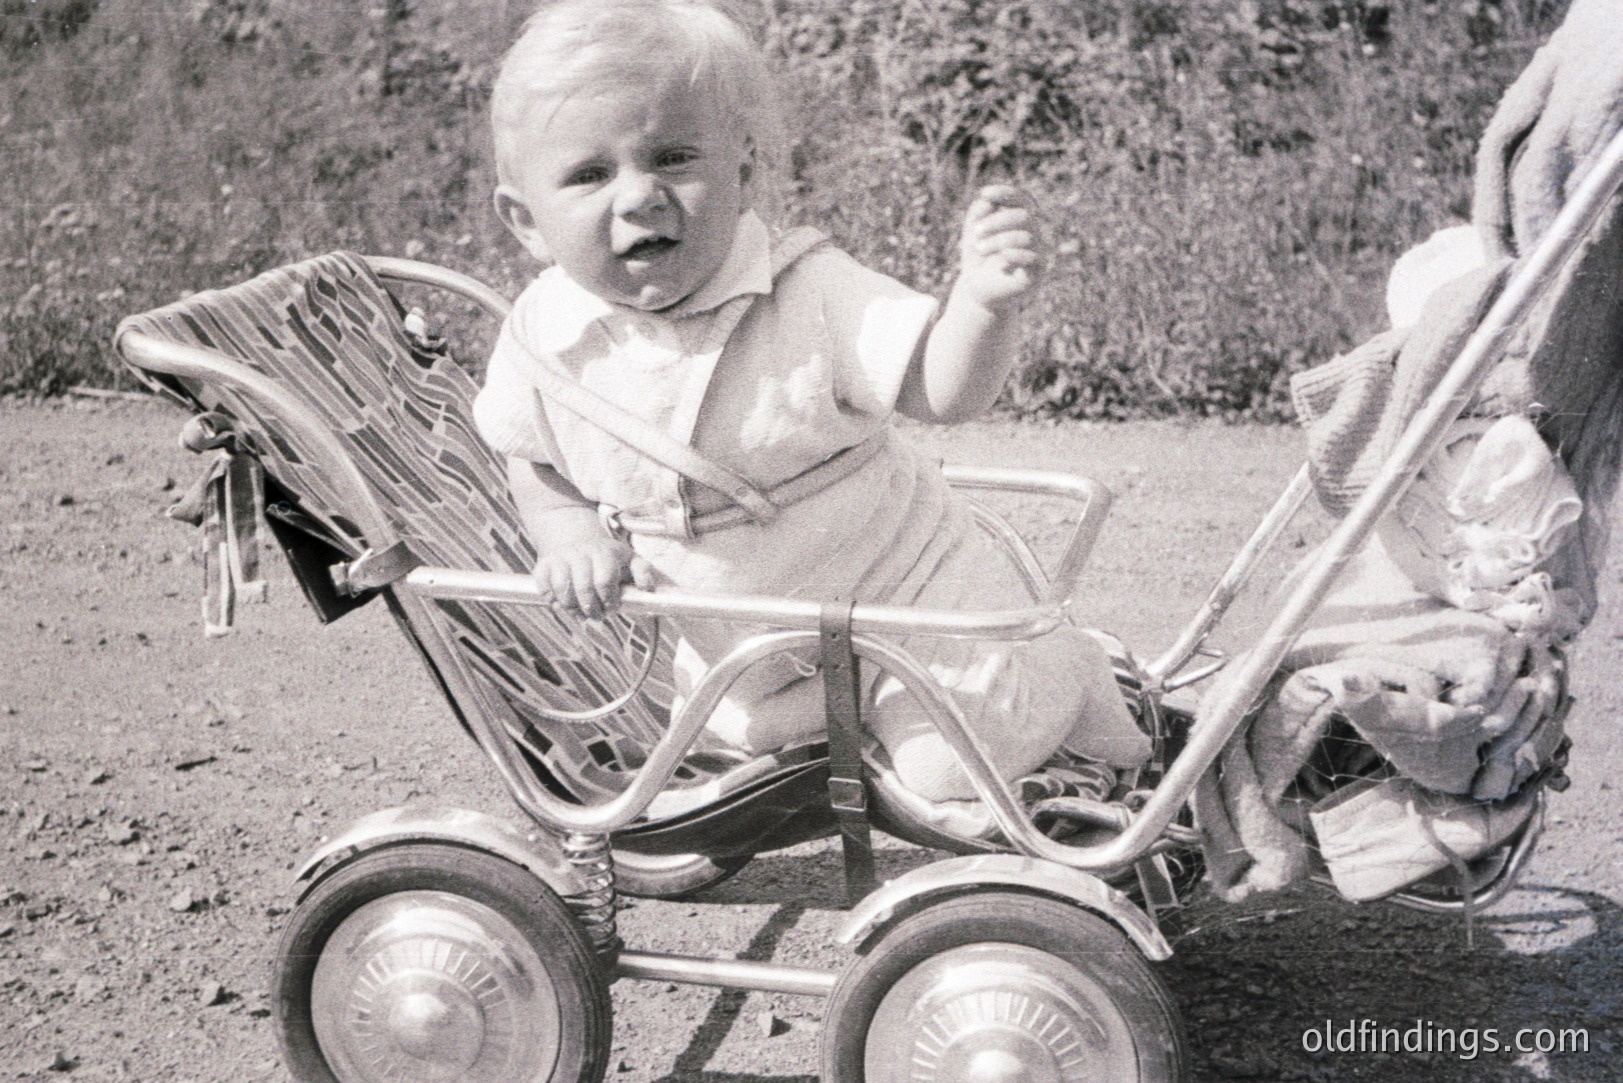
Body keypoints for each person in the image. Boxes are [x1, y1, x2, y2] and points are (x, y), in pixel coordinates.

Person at [473, 0, 1149, 805]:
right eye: (590, 174)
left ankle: (1068, 685)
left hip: (912, 599)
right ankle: (1005, 706)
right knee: (746, 742)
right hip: (758, 656)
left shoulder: (808, 292)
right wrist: (568, 531)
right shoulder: (543, 338)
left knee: (948, 772)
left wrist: (981, 306)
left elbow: (939, 387)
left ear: (744, 172)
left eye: (675, 156)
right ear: (526, 220)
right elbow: (532, 452)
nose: (640, 196)